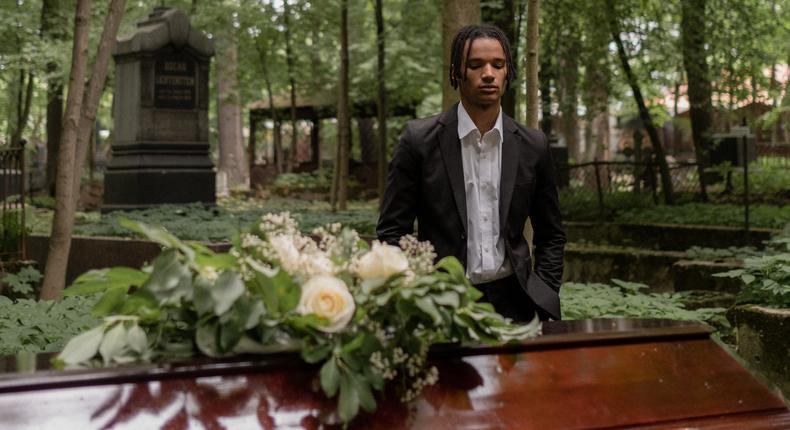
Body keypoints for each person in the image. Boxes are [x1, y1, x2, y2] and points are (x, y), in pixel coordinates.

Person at [377, 24, 566, 322]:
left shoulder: (534, 145)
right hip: (442, 303)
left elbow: (551, 234)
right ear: (456, 72)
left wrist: (544, 289)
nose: (488, 73)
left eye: (498, 65)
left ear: (508, 73)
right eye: (475, 65)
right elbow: (391, 232)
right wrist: (417, 293)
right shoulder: (419, 141)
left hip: (516, 303)